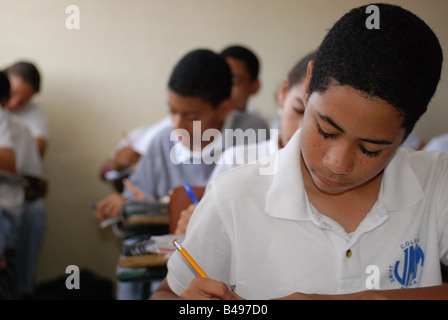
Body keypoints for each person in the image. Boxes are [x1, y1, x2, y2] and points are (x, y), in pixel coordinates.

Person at [152, 3, 448, 300]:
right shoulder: (233, 197)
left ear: (407, 131)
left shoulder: (437, 182)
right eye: (326, 130)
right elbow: (167, 295)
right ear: (308, 83)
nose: (337, 163)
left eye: (371, 148)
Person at [95, 48, 269, 299]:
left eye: (191, 115)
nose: (177, 124)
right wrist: (127, 204)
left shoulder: (250, 135)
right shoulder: (163, 142)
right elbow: (135, 197)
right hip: (168, 263)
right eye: (172, 111)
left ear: (224, 108)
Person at [174, 50, 317, 235]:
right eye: (298, 110)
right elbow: (203, 238)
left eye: (320, 122)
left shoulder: (333, 176)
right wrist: (194, 230)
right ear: (283, 92)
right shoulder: (237, 161)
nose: (302, 129)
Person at [4, 61, 49, 158]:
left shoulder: (36, 113)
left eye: (23, 100)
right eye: (12, 93)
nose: (13, 103)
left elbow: (38, 151)